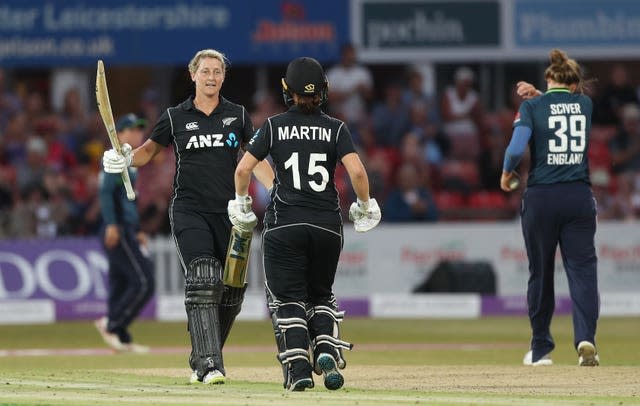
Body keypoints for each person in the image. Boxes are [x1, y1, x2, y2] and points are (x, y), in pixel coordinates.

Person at [102, 49, 274, 384]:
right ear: (193, 74)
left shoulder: (237, 115)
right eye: (206, 71)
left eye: (218, 71)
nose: (212, 77)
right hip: (188, 210)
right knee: (203, 277)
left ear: (223, 77)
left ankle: (202, 354)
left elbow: (255, 159)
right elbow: (148, 151)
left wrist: (279, 191)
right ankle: (210, 364)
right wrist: (124, 159)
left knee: (232, 291)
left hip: (231, 214)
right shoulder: (175, 116)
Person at [229, 57, 381, 391]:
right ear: (324, 91)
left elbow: (243, 170)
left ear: (287, 90)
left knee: (289, 300)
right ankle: (325, 347)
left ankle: (299, 370)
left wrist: (241, 202)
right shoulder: (336, 127)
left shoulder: (273, 125)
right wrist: (365, 204)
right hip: (327, 225)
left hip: (285, 225)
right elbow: (356, 172)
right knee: (321, 296)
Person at [503, 49, 600, 367]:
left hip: (542, 198)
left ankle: (541, 348)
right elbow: (562, 107)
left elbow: (517, 148)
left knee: (540, 274)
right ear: (574, 84)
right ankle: (586, 339)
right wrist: (543, 96)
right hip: (578, 197)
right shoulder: (585, 105)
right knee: (583, 272)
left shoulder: (531, 106)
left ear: (548, 78)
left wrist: (507, 173)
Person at [95, 113, 154, 353]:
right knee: (143, 281)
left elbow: (129, 199)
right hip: (117, 228)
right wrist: (111, 224)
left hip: (127, 228)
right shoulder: (113, 159)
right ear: (118, 134)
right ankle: (112, 324)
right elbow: (106, 194)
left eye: (139, 129)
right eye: (130, 129)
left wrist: (138, 228)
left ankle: (120, 337)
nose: (137, 133)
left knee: (120, 282)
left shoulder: (130, 162)